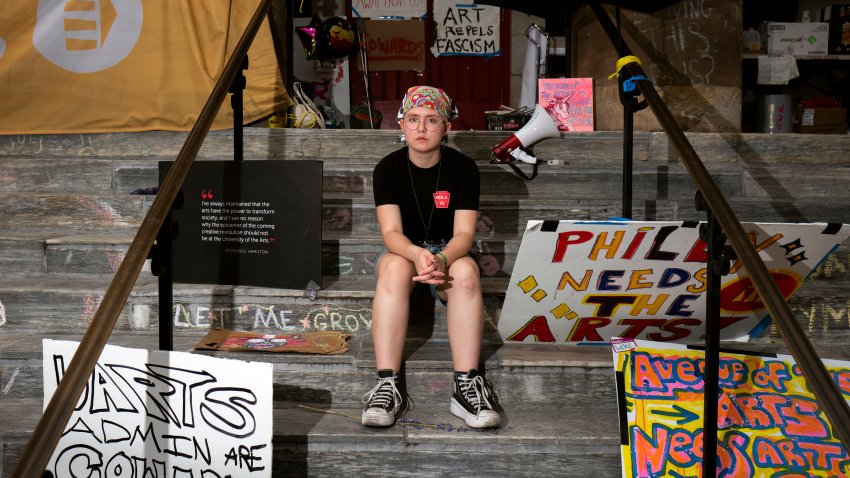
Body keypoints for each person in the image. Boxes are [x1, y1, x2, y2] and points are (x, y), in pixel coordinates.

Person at [361, 85, 500, 429]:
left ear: (447, 127)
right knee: (393, 268)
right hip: (404, 250)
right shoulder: (387, 168)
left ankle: (466, 385)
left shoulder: (464, 169)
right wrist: (417, 253)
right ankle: (387, 383)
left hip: (448, 249)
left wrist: (441, 258)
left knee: (466, 272)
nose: (421, 128)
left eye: (431, 120)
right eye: (413, 119)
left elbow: (464, 235)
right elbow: (391, 233)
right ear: (401, 125)